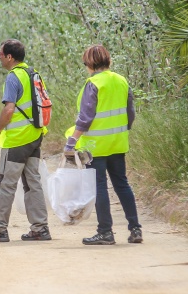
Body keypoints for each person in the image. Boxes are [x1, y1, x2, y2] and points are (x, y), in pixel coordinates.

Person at [64, 44, 142, 245]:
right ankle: (135, 229)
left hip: (95, 146)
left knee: (99, 187)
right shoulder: (121, 81)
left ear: (90, 63)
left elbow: (85, 117)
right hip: (118, 142)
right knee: (122, 184)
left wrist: (71, 141)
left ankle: (105, 232)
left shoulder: (94, 84)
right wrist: (123, 130)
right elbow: (130, 112)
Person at [0, 39, 51, 243]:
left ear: (9, 57)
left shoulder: (13, 77)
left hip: (17, 140)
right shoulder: (33, 74)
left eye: (0, 54)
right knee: (32, 182)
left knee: (6, 184)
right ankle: (40, 228)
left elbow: (9, 109)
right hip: (35, 135)